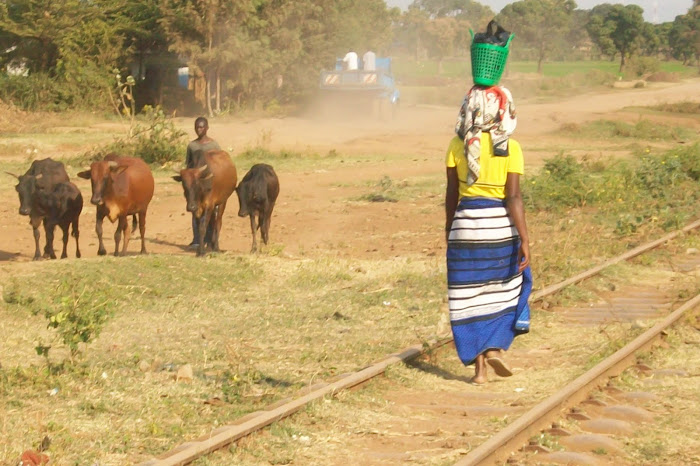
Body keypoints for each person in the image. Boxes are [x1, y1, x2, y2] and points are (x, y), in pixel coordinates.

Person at [444, 126, 532, 385]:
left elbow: (451, 193)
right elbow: (513, 196)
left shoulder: (456, 145)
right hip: (499, 227)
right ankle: (495, 346)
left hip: (465, 224)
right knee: (507, 288)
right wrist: (525, 239)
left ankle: (480, 372)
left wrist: (450, 227)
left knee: (468, 295)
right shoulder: (510, 147)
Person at [186, 116, 220, 248]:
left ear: (207, 128)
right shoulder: (192, 146)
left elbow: (219, 163)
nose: (199, 129)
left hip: (211, 183)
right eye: (197, 127)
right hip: (197, 185)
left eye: (201, 127)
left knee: (212, 212)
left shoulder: (213, 145)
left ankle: (210, 238)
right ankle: (197, 240)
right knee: (195, 209)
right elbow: (189, 164)